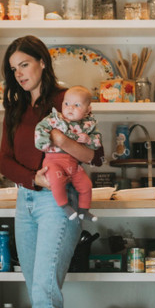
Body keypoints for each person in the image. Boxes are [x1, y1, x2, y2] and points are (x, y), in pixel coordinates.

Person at [0, 35, 105, 308]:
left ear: (42, 62)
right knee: (38, 291)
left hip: (58, 205)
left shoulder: (66, 101)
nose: (19, 74)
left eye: (24, 64)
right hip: (26, 200)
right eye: (13, 69)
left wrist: (59, 139)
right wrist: (35, 180)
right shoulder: (13, 108)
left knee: (44, 293)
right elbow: (5, 163)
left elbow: (94, 153)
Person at [34, 85, 102, 222]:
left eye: (77, 105)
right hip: (53, 161)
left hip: (72, 163)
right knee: (56, 181)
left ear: (88, 110)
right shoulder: (56, 119)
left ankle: (84, 210)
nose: (70, 108)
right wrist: (43, 142)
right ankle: (64, 206)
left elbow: (97, 142)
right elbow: (40, 128)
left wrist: (88, 139)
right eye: (67, 104)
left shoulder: (88, 125)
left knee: (86, 185)